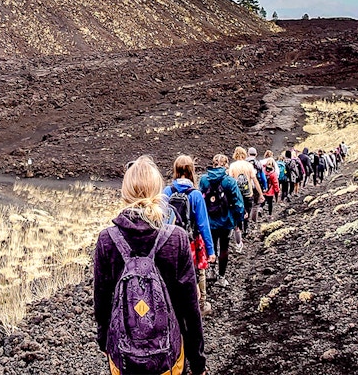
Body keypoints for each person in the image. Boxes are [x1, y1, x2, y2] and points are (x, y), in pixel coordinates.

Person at [93, 156, 206, 375]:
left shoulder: (107, 239)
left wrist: (105, 341)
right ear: (158, 191)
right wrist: (197, 361)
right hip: (169, 356)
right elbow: (190, 307)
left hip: (123, 358)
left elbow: (102, 302)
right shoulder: (177, 238)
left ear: (125, 193)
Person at [164, 155, 215, 316]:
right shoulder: (196, 195)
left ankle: (172, 306)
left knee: (172, 273)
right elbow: (203, 224)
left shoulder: (167, 191)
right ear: (192, 171)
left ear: (175, 170)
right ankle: (201, 304)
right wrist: (210, 250)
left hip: (170, 241)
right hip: (191, 241)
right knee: (199, 271)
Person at [199, 154, 245, 287]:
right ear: (226, 165)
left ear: (213, 164)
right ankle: (221, 277)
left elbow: (200, 199)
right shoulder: (229, 181)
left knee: (211, 245)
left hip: (209, 221)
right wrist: (238, 220)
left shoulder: (204, 180)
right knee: (224, 247)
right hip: (226, 221)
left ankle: (211, 271)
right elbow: (238, 203)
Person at [228, 147, 261, 247]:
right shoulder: (249, 165)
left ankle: (239, 230)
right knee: (248, 210)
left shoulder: (232, 166)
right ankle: (246, 228)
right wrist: (260, 193)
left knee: (238, 212)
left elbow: (230, 180)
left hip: (236, 194)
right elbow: (255, 180)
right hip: (248, 193)